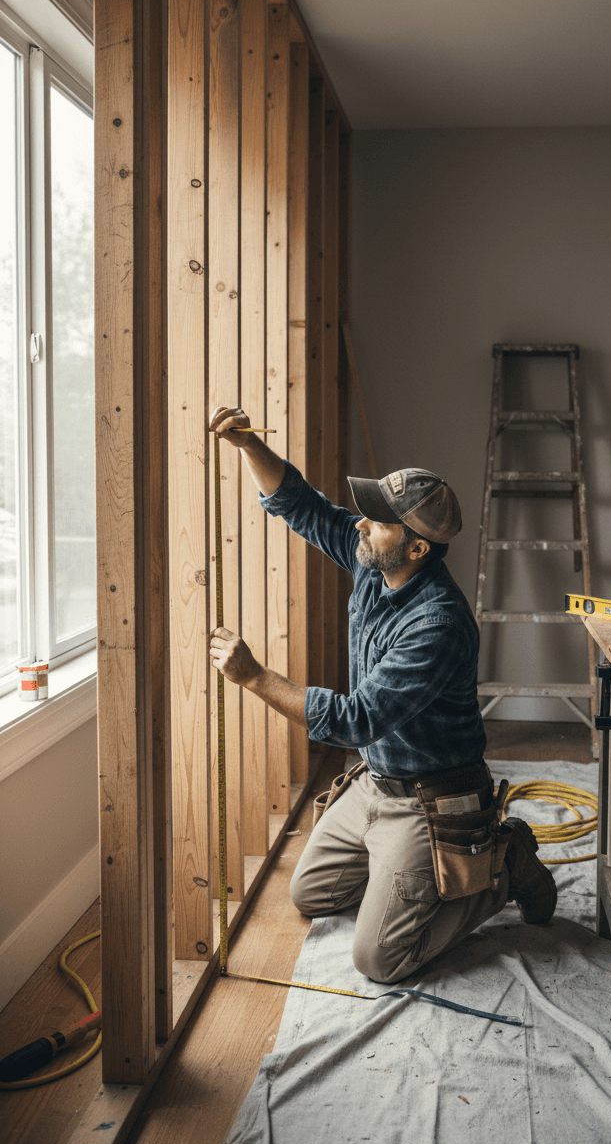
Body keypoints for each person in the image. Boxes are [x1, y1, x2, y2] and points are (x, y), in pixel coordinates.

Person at [208, 406, 556, 983]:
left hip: (430, 798)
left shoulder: (437, 623)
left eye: (377, 520)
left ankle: (498, 870)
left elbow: (355, 720)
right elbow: (305, 506)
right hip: (375, 782)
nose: (361, 526)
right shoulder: (378, 561)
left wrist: (255, 678)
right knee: (312, 893)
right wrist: (249, 446)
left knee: (379, 959)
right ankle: (411, 876)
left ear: (417, 548)